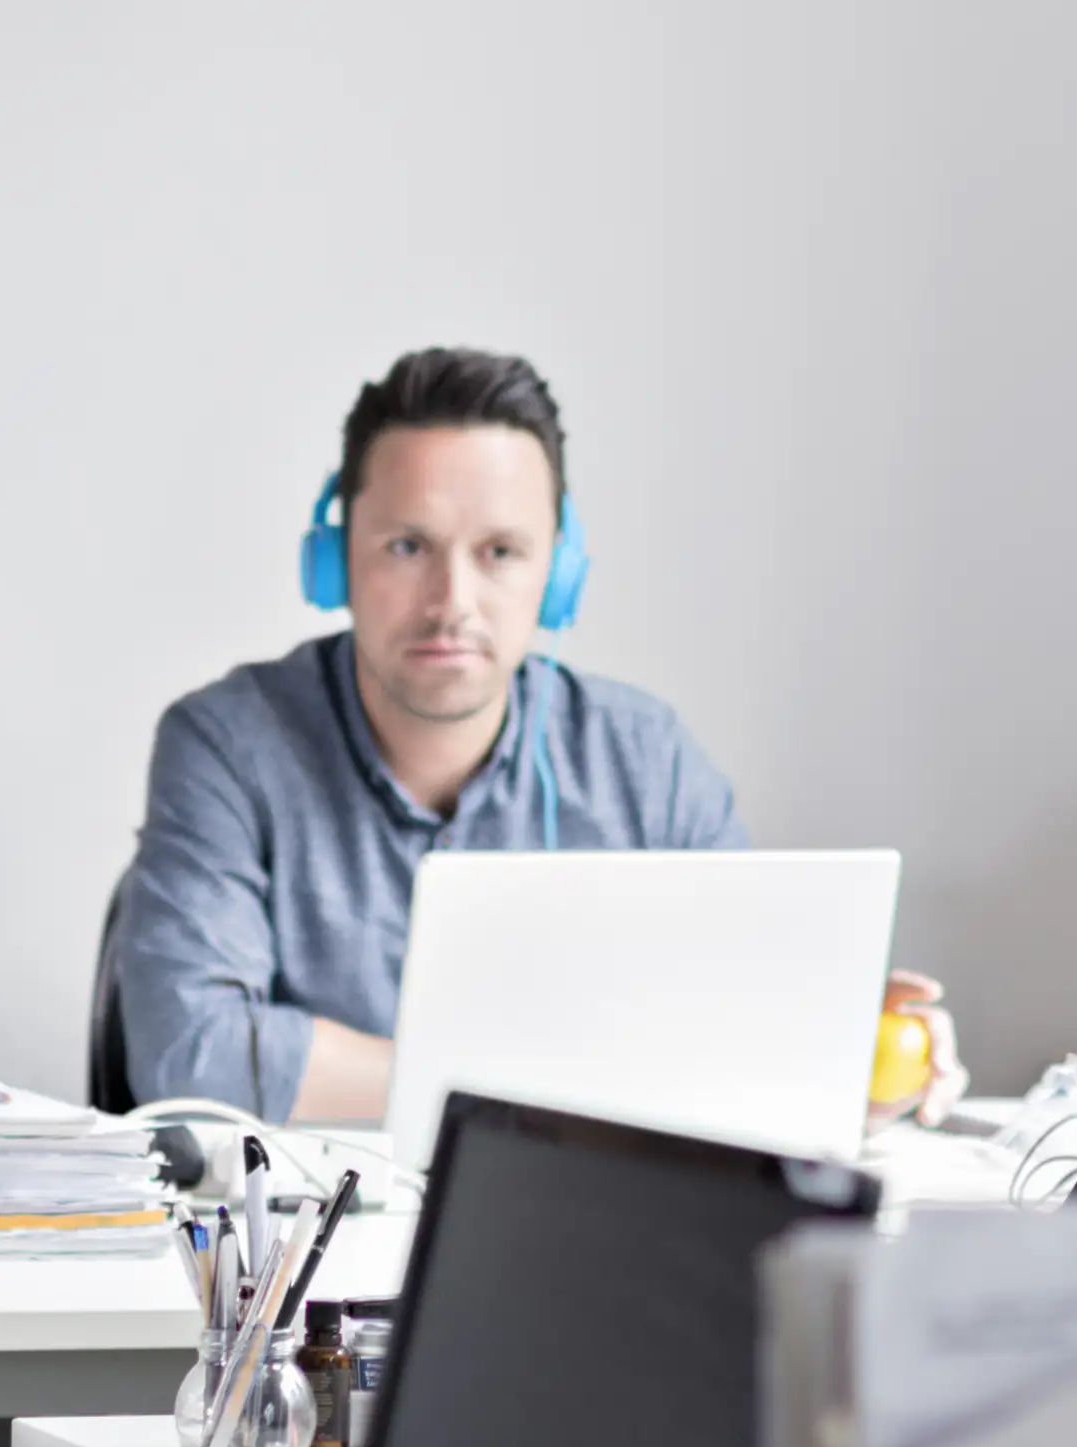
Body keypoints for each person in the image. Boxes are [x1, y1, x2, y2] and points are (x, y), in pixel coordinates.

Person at [106, 346, 933, 1120]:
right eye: (406, 545)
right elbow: (194, 1056)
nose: (451, 600)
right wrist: (548, 1087)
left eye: (500, 550)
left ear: (558, 572)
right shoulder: (226, 745)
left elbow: (738, 1035)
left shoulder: (645, 762)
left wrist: (847, 1058)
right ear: (334, 559)